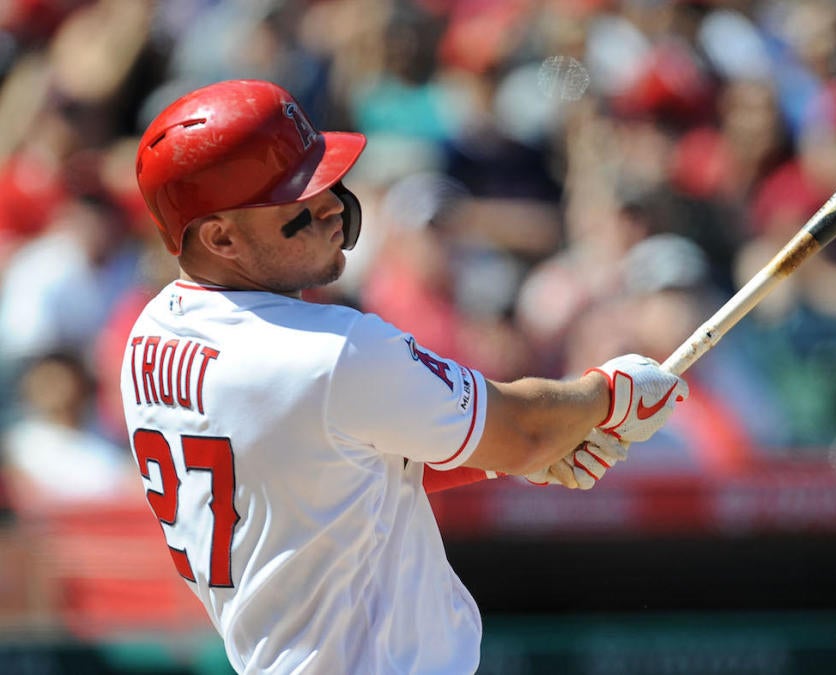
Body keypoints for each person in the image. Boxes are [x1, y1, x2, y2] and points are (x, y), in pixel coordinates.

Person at [121, 79, 687, 674]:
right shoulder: (331, 351)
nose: (334, 206)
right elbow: (524, 427)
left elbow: (333, 469)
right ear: (221, 236)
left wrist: (504, 457)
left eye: (326, 184)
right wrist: (607, 395)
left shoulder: (151, 335)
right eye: (300, 200)